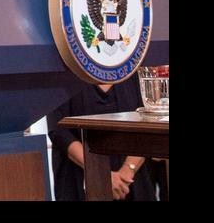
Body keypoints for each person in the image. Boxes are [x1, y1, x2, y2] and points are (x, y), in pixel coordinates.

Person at [46, 73, 157, 201]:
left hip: (131, 181)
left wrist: (128, 169)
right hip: (79, 178)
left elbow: (147, 124)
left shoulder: (131, 72)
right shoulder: (64, 75)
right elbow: (59, 131)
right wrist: (102, 175)